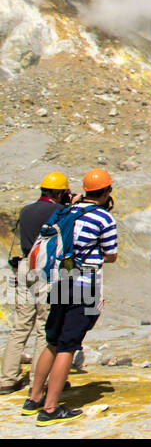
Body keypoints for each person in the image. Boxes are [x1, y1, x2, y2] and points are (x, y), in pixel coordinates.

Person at [23, 169, 118, 426]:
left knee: (52, 340)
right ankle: (51, 408)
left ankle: (33, 399)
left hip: (62, 278)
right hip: (84, 283)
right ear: (107, 191)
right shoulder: (103, 217)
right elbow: (111, 255)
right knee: (68, 344)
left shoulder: (67, 211)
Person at [1, 172, 73, 394]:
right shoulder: (59, 212)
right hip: (45, 271)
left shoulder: (26, 210)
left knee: (20, 326)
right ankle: (37, 381)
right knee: (44, 326)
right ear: (61, 192)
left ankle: (7, 379)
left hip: (23, 268)